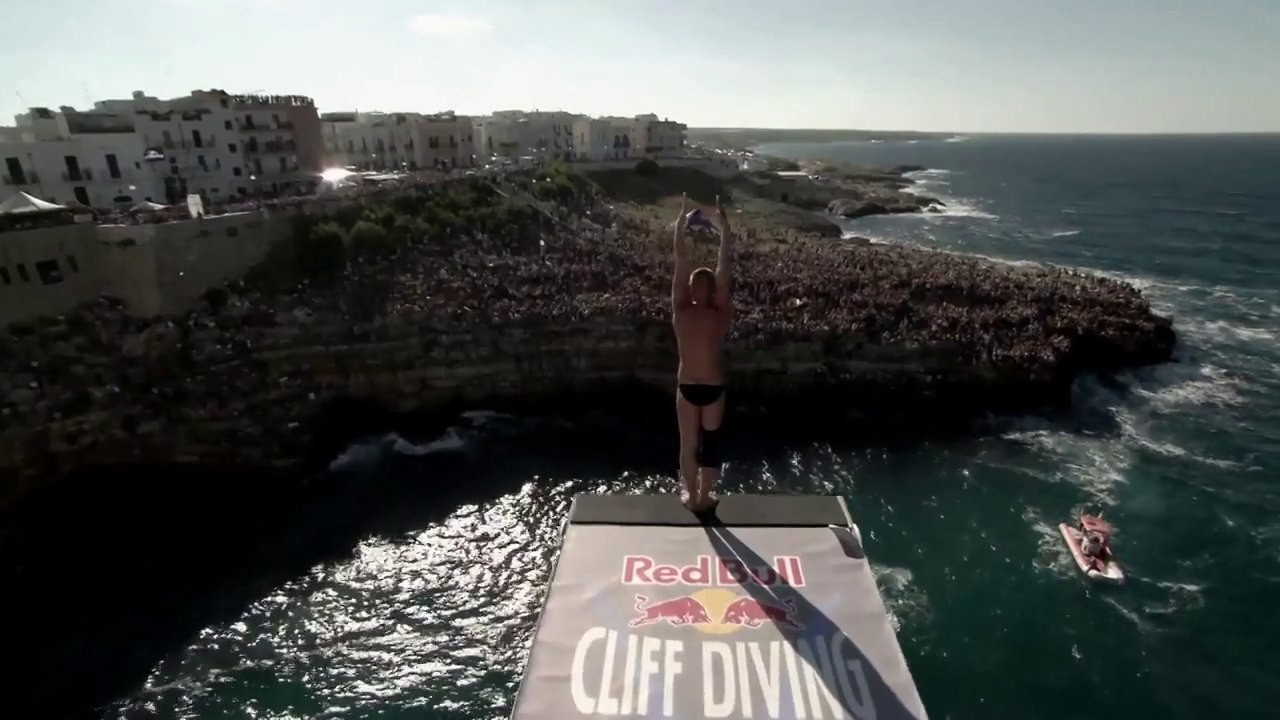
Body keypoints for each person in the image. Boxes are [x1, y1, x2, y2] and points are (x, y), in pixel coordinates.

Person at [671, 193, 734, 511]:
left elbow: (681, 262)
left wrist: (681, 223)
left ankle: (692, 496)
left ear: (693, 288)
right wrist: (725, 231)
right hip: (712, 387)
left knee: (688, 445)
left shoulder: (680, 311)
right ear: (712, 291)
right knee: (710, 445)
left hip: (687, 385)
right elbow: (724, 268)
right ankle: (704, 496)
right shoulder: (718, 313)